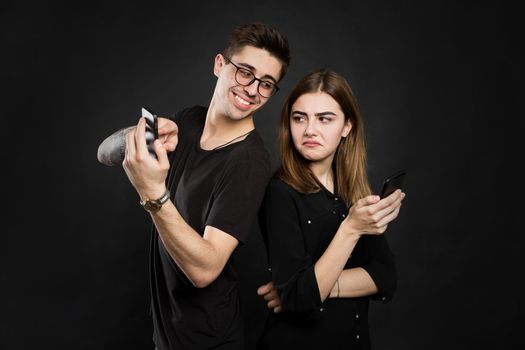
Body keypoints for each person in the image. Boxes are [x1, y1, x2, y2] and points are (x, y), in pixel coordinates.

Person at [97, 22, 290, 350]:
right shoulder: (188, 121)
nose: (253, 89)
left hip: (209, 343)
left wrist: (153, 193)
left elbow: (206, 269)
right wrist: (146, 131)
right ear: (219, 65)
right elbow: (104, 153)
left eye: (267, 83)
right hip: (167, 336)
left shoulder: (249, 161)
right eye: (245, 71)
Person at [256, 69, 405, 349]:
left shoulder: (353, 192)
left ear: (347, 126)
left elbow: (386, 278)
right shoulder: (279, 193)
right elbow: (300, 302)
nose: (310, 130)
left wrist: (319, 287)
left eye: (325, 119)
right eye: (300, 118)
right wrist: (351, 228)